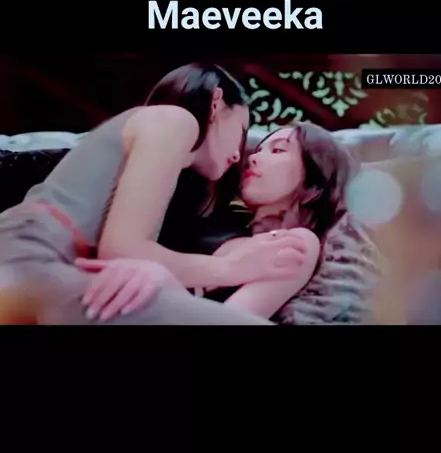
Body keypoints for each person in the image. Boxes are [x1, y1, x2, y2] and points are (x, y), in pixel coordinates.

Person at [0, 63, 310, 326]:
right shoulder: (176, 120)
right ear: (216, 103)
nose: (241, 154)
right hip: (28, 258)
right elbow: (123, 252)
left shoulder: (179, 184)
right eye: (242, 131)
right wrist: (232, 268)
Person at [77, 121, 360, 322]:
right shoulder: (218, 217)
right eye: (258, 149)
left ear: (315, 178)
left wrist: (165, 282)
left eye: (277, 150)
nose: (254, 158)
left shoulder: (294, 243)